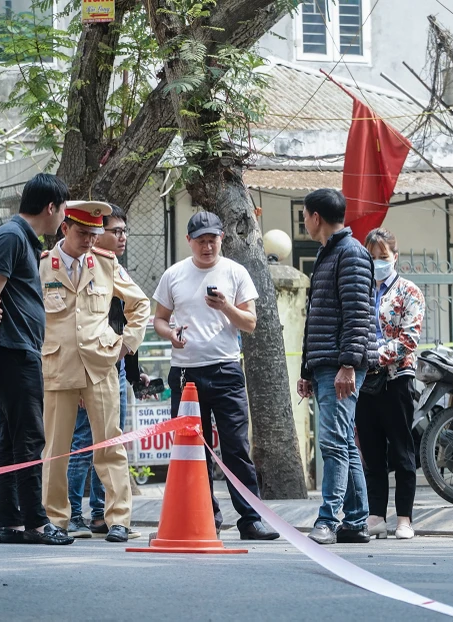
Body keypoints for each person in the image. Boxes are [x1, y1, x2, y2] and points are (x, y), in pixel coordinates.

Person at [152, 211, 278, 541]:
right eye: (201, 240)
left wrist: (225, 307)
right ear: (189, 241)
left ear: (222, 238)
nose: (207, 246)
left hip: (224, 369)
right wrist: (171, 333)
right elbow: (159, 319)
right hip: (184, 374)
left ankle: (251, 518)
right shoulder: (174, 275)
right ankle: (206, 517)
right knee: (195, 449)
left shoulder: (236, 272)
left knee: (235, 446)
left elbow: (249, 323)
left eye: (213, 239)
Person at [38, 201, 150, 544]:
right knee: (57, 449)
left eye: (94, 234)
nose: (89, 241)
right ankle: (57, 520)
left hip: (101, 366)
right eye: (83, 233)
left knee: (110, 445)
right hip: (58, 366)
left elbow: (140, 304)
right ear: (64, 228)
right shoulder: (42, 266)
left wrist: (126, 343)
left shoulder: (105, 263)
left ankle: (118, 519)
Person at [0, 173, 73, 545]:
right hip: (15, 352)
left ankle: (11, 523)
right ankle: (36, 523)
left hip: (21, 349)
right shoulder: (11, 236)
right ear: (51, 207)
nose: (64, 219)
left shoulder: (23, 239)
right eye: (63, 210)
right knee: (30, 438)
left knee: (14, 440)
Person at [296, 188, 376, 545]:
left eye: (304, 215)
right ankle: (357, 521)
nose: (303, 222)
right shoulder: (329, 254)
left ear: (315, 217)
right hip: (326, 364)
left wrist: (346, 365)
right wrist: (306, 370)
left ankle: (327, 520)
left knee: (331, 443)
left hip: (341, 365)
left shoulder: (351, 254)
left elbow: (359, 316)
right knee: (343, 441)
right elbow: (316, 318)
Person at [355, 228, 424, 541]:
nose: (378, 262)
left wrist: (373, 355)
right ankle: (376, 515)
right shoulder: (361, 289)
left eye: (383, 257)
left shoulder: (409, 292)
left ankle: (405, 518)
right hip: (364, 381)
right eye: (372, 257)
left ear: (395, 257)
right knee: (371, 452)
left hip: (397, 379)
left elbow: (409, 339)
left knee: (401, 450)